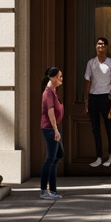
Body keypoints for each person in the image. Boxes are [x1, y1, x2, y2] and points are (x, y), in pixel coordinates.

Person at [82, 37, 111, 167]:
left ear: (107, 47)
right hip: (93, 98)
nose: (101, 46)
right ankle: (98, 157)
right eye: (98, 43)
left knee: (109, 128)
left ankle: (110, 156)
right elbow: (87, 82)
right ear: (95, 47)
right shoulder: (91, 63)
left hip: (106, 98)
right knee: (95, 129)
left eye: (103, 44)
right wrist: (86, 101)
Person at [40, 66, 65, 200]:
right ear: (52, 77)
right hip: (50, 128)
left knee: (57, 156)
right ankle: (45, 190)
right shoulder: (48, 92)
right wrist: (55, 130)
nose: (61, 79)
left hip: (53, 128)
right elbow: (50, 112)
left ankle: (53, 190)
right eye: (59, 76)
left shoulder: (53, 91)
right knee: (50, 159)